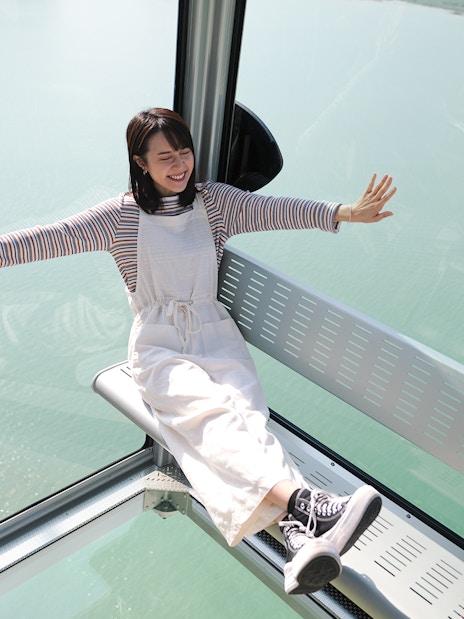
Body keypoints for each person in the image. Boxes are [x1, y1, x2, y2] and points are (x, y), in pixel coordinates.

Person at [0, 108, 396, 595]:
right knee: (212, 419)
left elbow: (278, 210)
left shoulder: (214, 204)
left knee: (246, 421)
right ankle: (307, 505)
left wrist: (344, 213)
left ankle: (298, 539)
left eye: (184, 152)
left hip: (216, 336)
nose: (179, 164)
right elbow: (44, 240)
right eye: (164, 157)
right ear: (140, 162)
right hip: (160, 344)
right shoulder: (119, 217)